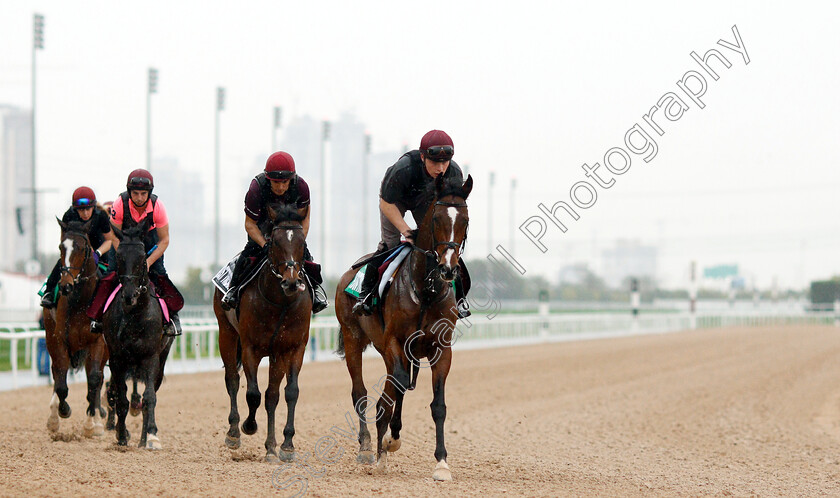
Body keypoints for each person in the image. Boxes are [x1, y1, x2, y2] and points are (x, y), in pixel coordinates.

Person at [352, 129, 471, 318]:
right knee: (389, 245)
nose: (441, 168)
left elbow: (449, 207)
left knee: (443, 247)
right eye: (435, 162)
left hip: (426, 202)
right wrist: (406, 231)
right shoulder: (404, 169)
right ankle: (365, 295)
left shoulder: (454, 172)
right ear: (423, 157)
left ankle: (460, 298)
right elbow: (386, 203)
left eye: (445, 162)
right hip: (394, 201)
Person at [220, 151, 328, 313]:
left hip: (289, 234)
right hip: (261, 232)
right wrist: (265, 245)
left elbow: (305, 220)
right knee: (248, 255)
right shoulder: (256, 188)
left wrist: (297, 242)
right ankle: (233, 290)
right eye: (275, 182)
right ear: (268, 179)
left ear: (291, 179)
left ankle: (316, 292)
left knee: (306, 257)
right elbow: (249, 224)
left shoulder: (301, 187)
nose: (280, 187)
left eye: (284, 182)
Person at [86, 169, 183, 336]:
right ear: (129, 192)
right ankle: (97, 317)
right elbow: (113, 236)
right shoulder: (119, 204)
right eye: (135, 193)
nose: (139, 198)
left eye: (143, 194)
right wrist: (125, 259)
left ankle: (172, 318)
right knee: (110, 275)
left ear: (149, 193)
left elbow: (164, 240)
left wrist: (148, 262)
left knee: (160, 275)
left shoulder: (158, 207)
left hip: (150, 244)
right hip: (124, 244)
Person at [40, 186, 114, 308]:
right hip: (77, 250)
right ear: (75, 209)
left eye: (88, 209)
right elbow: (64, 240)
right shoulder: (69, 216)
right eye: (81, 210)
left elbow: (110, 240)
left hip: (99, 249)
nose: (85, 213)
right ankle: (48, 292)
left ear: (93, 207)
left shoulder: (101, 216)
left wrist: (97, 253)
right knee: (61, 264)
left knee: (111, 273)